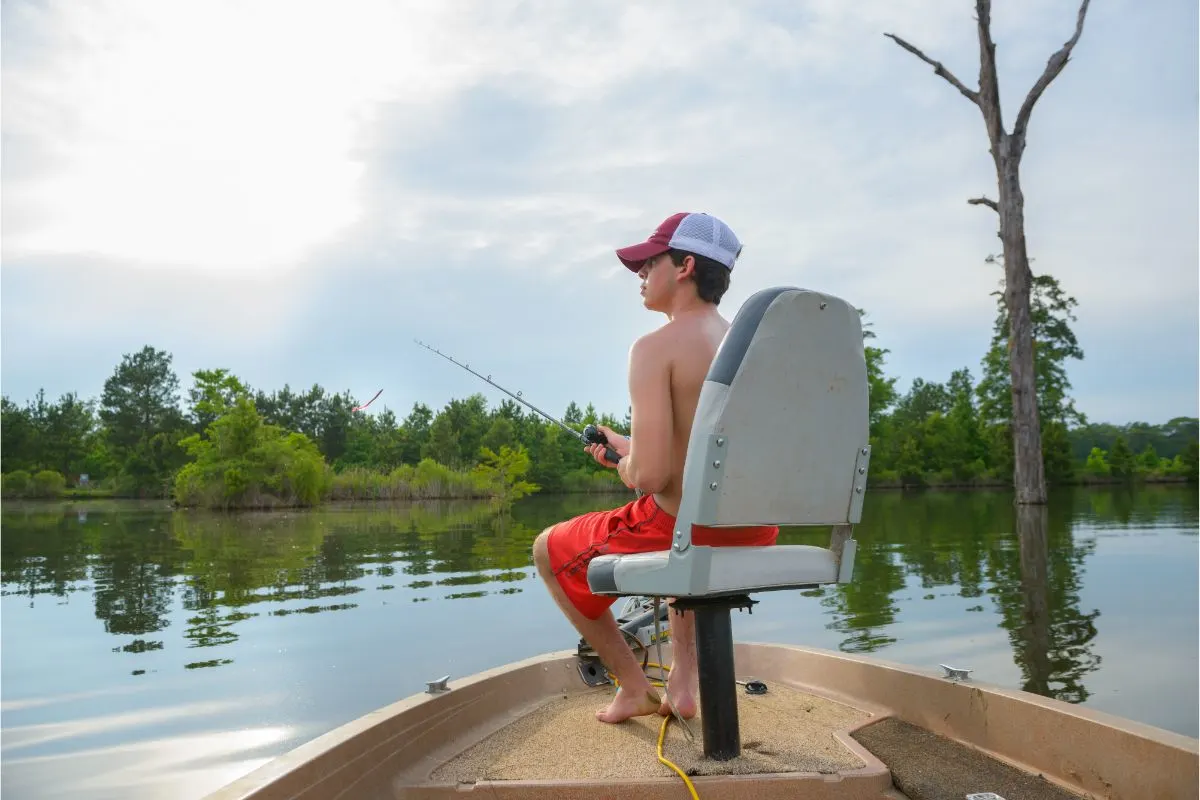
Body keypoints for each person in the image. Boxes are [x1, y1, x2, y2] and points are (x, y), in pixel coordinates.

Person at [532, 212, 779, 724]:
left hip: (684, 529)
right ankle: (684, 685)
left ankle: (635, 688)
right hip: (754, 529)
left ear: (685, 266)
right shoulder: (749, 347)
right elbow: (695, 453)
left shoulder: (653, 349)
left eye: (649, 262)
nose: (640, 273)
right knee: (684, 532)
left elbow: (650, 478)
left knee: (549, 548)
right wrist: (625, 446)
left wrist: (625, 464)